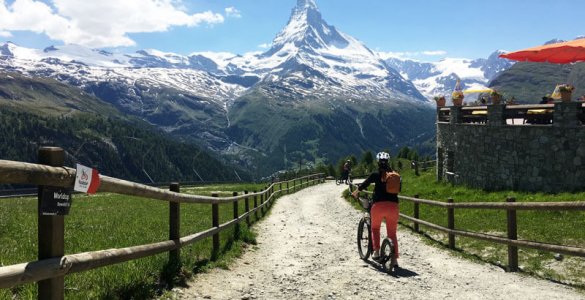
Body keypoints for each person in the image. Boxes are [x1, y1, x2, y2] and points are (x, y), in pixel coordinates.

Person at [351, 152, 400, 267]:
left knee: (375, 228)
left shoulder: (375, 175)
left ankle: (377, 252)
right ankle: (395, 259)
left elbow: (363, 185)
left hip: (378, 206)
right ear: (388, 162)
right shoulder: (395, 175)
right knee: (392, 233)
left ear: (378, 162)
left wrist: (355, 193)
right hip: (393, 207)